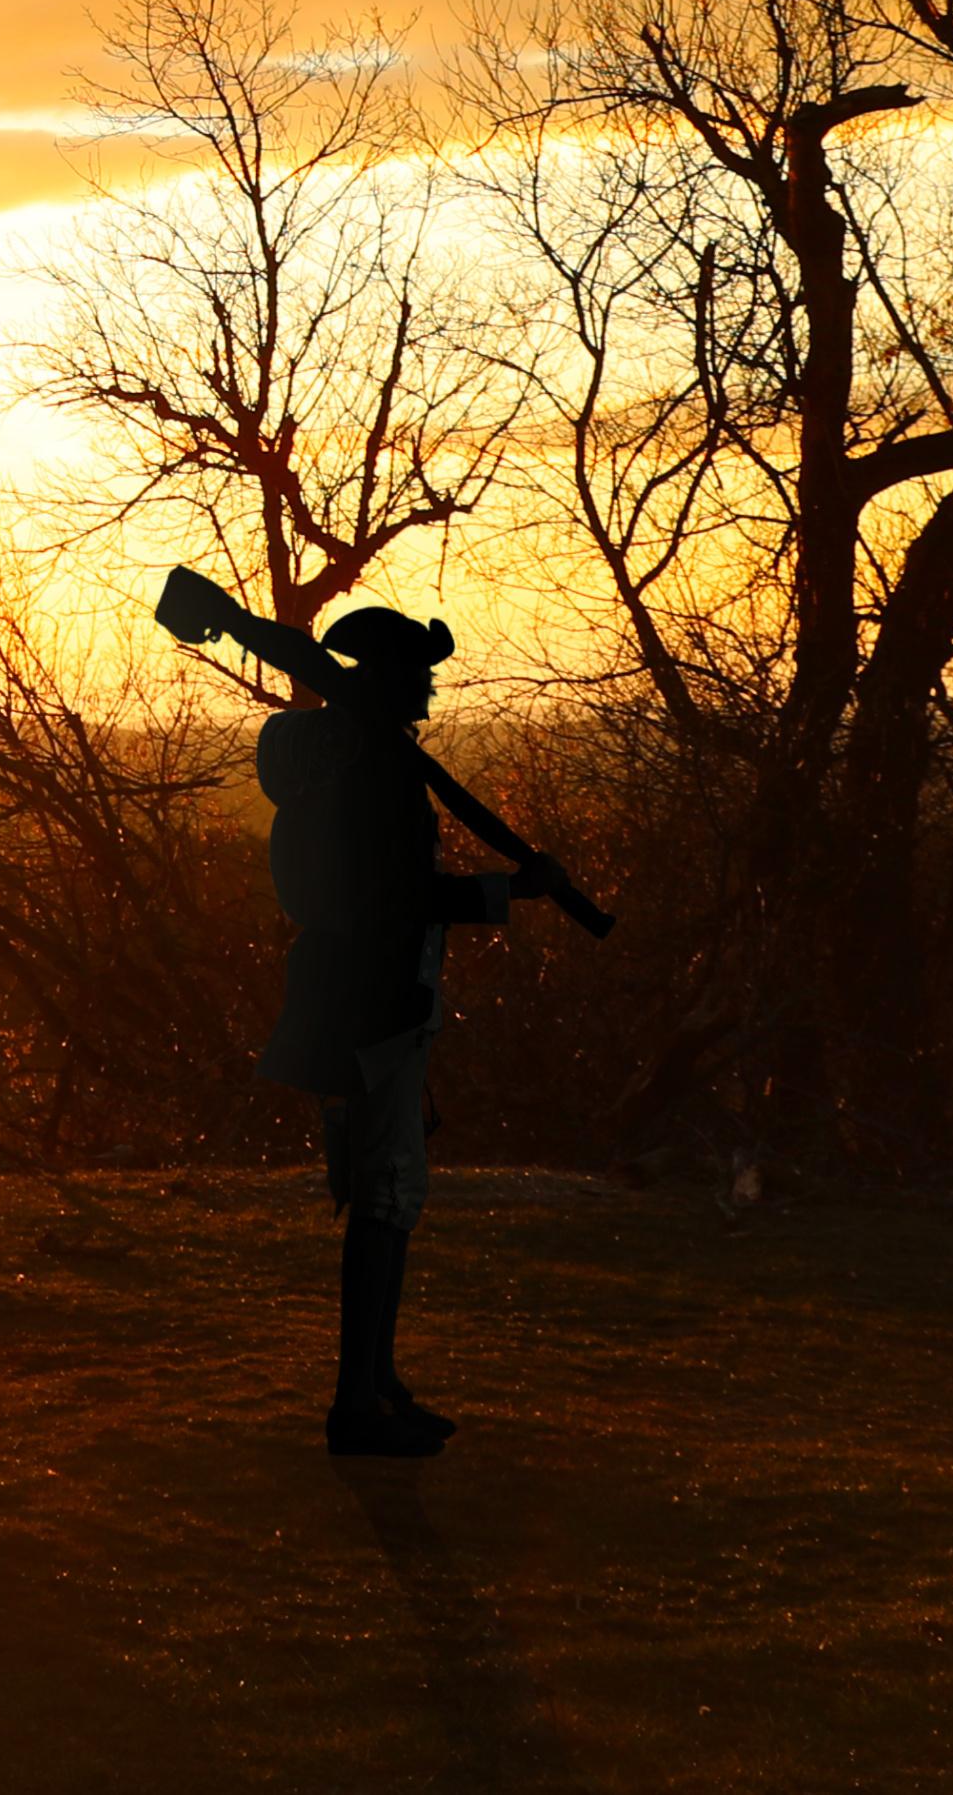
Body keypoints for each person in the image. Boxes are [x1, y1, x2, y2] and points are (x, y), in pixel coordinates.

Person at [253, 601, 547, 1457]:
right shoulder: (372, 772)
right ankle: (360, 1401)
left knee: (386, 1196)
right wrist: (507, 891)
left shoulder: (363, 761)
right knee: (384, 1200)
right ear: (386, 677)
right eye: (415, 668)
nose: (428, 681)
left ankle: (375, 1386)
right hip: (373, 1004)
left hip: (367, 999)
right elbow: (400, 895)